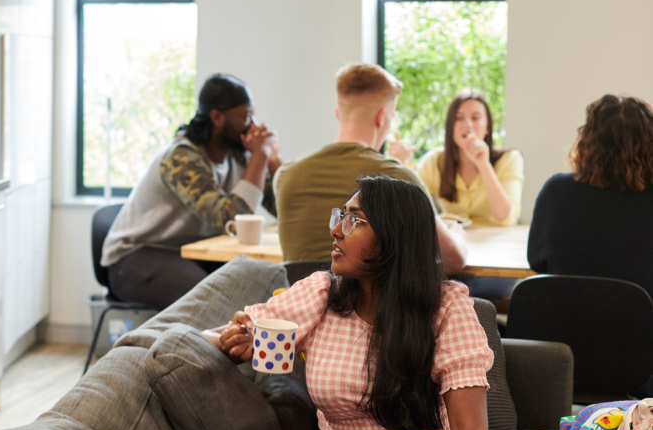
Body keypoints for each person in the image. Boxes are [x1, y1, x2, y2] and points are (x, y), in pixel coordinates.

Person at [214, 175, 620, 430]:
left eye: (355, 221)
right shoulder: (322, 293)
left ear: (394, 238)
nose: (337, 229)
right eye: (341, 215)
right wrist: (235, 337)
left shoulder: (445, 307)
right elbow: (225, 333)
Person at [101, 73, 279, 310]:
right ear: (216, 117)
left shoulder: (238, 155)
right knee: (213, 303)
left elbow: (283, 207)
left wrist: (273, 161)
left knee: (261, 286)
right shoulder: (182, 157)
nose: (254, 125)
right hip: (136, 257)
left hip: (190, 255)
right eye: (245, 116)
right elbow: (229, 218)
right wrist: (261, 155)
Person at [274, 63, 467, 269]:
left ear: (338, 113)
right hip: (366, 301)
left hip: (301, 299)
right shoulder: (397, 177)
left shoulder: (285, 174)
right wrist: (458, 235)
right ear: (381, 117)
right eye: (391, 117)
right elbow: (453, 259)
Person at [529, 94, 653, 300]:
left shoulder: (555, 192)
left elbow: (536, 261)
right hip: (642, 329)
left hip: (561, 328)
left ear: (588, 141)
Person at [402, 90, 523, 226]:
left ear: (487, 126)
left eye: (476, 118)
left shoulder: (510, 159)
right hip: (454, 242)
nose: (468, 125)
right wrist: (401, 163)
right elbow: (407, 206)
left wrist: (484, 165)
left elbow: (505, 218)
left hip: (499, 242)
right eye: (459, 118)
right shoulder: (434, 161)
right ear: (450, 126)